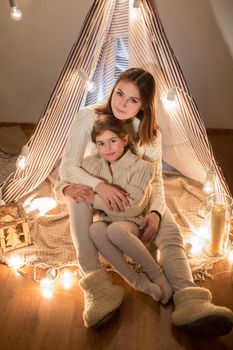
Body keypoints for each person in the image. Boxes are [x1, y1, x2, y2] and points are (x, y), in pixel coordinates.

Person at [57, 68, 233, 335]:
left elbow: (157, 182)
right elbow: (68, 166)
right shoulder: (87, 118)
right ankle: (97, 288)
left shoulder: (150, 133)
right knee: (77, 195)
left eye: (133, 100)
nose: (122, 103)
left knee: (168, 230)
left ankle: (189, 298)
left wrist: (155, 213)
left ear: (143, 105)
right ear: (113, 88)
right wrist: (99, 187)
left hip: (138, 196)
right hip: (98, 193)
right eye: (120, 93)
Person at [56, 114, 173, 306]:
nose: (107, 149)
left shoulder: (143, 167)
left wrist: (94, 198)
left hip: (134, 222)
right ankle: (138, 282)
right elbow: (61, 182)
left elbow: (133, 208)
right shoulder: (91, 164)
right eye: (101, 144)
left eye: (112, 141)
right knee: (95, 229)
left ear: (125, 139)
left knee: (115, 229)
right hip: (109, 219)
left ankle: (157, 275)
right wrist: (65, 189)